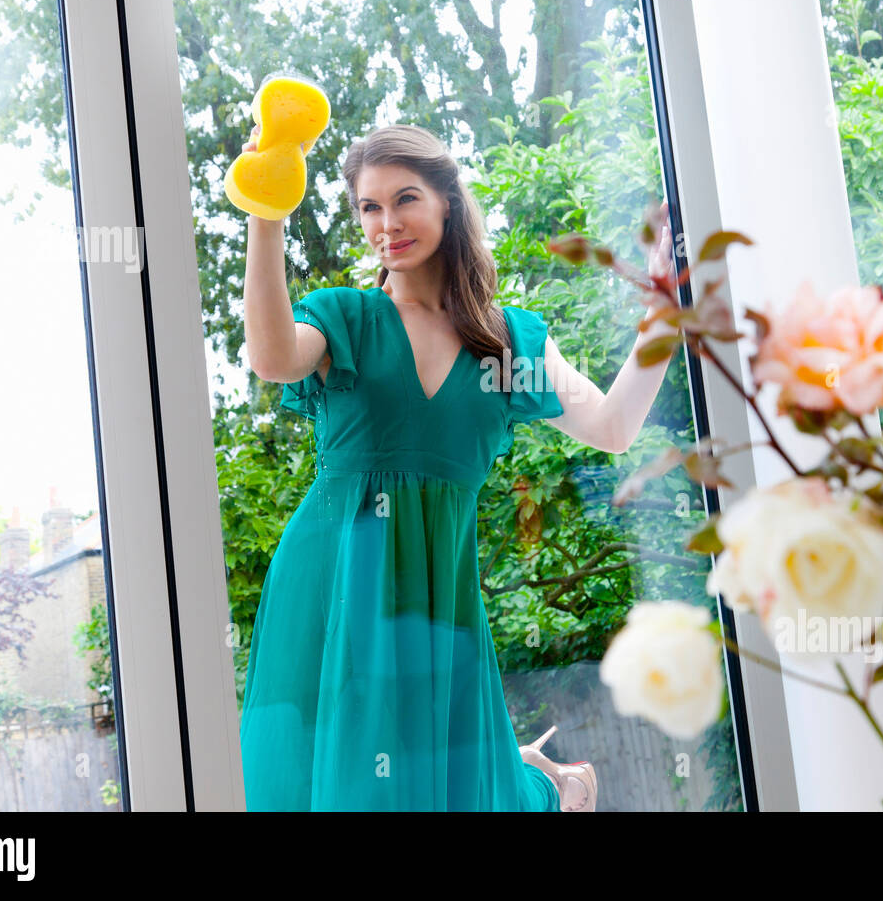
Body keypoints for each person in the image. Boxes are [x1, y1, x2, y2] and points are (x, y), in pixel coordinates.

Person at [239, 122, 675, 810]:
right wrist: (267, 214)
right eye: (369, 207)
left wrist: (664, 315)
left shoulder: (504, 344)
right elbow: (270, 356)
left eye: (405, 199)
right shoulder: (344, 319)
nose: (387, 224)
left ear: (448, 201)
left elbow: (615, 427)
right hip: (329, 583)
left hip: (439, 597)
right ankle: (533, 771)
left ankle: (549, 784)